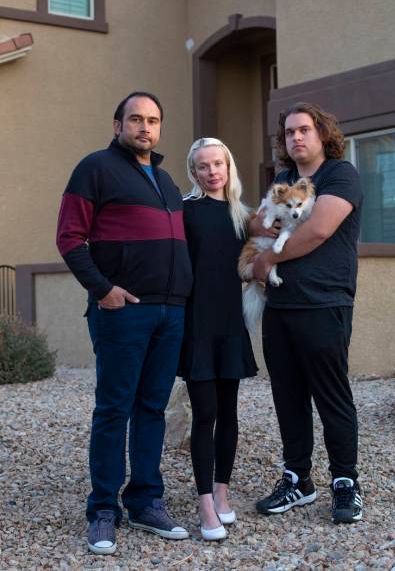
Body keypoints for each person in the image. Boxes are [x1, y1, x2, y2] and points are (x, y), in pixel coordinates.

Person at [56, 91, 193, 555]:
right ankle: (102, 510)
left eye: (153, 120)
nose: (145, 127)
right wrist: (102, 288)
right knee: (114, 409)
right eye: (136, 119)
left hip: (170, 311)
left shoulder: (169, 180)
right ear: (118, 125)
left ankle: (146, 502)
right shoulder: (95, 168)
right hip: (122, 310)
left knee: (153, 408)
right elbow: (70, 236)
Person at [251, 102, 363, 524]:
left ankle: (345, 483)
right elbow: (257, 222)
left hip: (324, 302)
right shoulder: (282, 180)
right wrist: (259, 229)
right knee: (288, 397)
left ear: (321, 134)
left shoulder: (340, 175)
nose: (295, 138)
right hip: (280, 305)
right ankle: (298, 479)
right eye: (289, 133)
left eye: (304, 130)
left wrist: (265, 263)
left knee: (331, 397)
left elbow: (317, 230)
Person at [178, 137, 258, 541]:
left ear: (229, 167)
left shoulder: (242, 215)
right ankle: (205, 502)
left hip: (231, 326)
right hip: (198, 327)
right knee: (205, 415)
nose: (212, 172)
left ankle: (223, 493)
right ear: (193, 172)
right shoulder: (184, 211)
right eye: (203, 166)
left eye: (218, 164)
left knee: (230, 415)